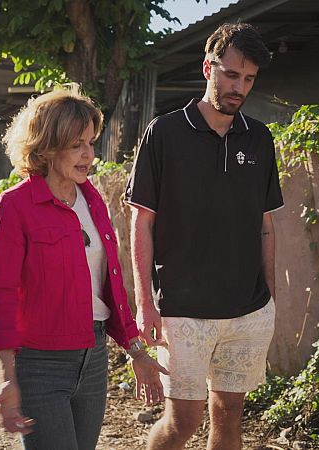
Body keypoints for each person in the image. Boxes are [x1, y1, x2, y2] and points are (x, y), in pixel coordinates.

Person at [125, 23, 284, 450]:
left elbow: (266, 224)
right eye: (231, 75)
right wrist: (144, 304)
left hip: (247, 311)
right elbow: (141, 221)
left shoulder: (261, 138)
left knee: (230, 415)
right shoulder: (164, 132)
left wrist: (269, 295)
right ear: (207, 68)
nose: (239, 87)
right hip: (184, 311)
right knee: (183, 421)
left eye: (248, 79)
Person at [0, 85, 167, 450]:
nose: (89, 155)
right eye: (76, 145)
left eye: (91, 143)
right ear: (47, 147)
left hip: (94, 359)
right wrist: (7, 376)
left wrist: (135, 350)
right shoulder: (15, 206)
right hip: (40, 364)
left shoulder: (92, 199)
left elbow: (110, 288)